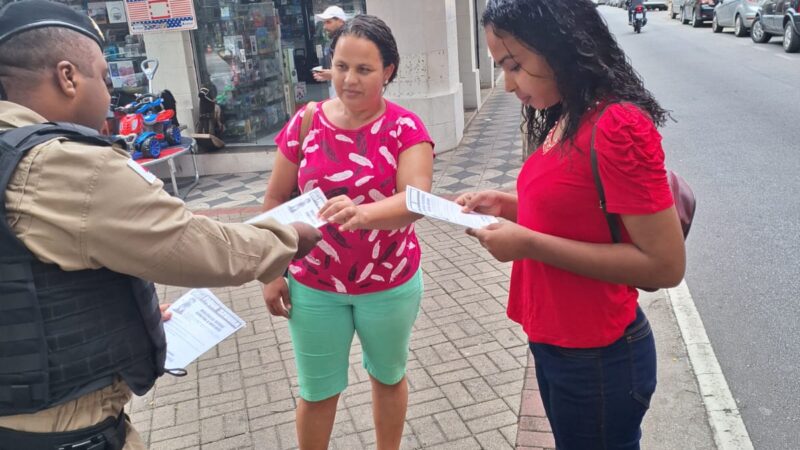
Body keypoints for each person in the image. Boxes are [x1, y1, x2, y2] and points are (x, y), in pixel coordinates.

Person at [0, 2, 321, 449]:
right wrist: (287, 240)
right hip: (63, 433)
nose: (111, 97)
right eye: (104, 78)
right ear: (67, 77)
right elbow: (190, 242)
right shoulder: (66, 166)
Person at [456, 1, 685, 449]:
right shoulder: (566, 114)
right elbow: (579, 211)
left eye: (515, 65)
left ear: (558, 44)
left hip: (598, 358)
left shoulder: (617, 125)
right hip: (558, 345)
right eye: (501, 67)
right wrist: (509, 206)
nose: (507, 84)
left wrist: (529, 244)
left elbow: (664, 265)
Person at [262, 14, 434, 450]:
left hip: (388, 282)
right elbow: (275, 200)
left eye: (363, 69)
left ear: (388, 71)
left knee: (388, 377)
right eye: (341, 67)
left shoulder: (405, 128)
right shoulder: (306, 121)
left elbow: (416, 200)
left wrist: (365, 214)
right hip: (314, 284)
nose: (349, 80)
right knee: (318, 391)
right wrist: (270, 273)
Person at [312, 5, 347, 98]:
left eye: (328, 22)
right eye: (324, 23)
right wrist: (330, 74)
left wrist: (332, 74)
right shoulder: (337, 41)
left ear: (340, 21)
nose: (324, 27)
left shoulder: (347, 42)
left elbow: (354, 72)